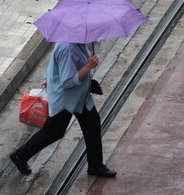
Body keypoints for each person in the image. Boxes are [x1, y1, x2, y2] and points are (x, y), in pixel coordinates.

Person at [10, 42, 116, 177]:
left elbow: (55, 64)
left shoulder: (76, 43)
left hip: (80, 97)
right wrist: (89, 66)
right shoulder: (68, 48)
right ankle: (20, 156)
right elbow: (67, 82)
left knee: (92, 124)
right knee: (54, 132)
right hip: (66, 100)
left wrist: (49, 78)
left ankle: (95, 165)